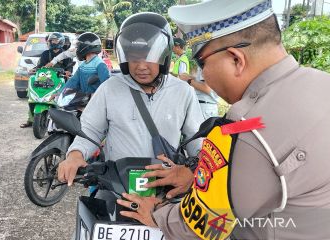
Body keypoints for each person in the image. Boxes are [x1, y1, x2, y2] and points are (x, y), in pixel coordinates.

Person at [116, 0, 330, 239]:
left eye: (202, 63)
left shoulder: (247, 131)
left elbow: (203, 225)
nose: (203, 73)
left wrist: (155, 213)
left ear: (236, 59)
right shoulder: (322, 84)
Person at [57, 12, 204, 188]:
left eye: (150, 57)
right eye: (134, 57)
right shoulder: (109, 88)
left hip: (166, 189)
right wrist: (75, 154)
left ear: (164, 56)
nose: (141, 66)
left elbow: (197, 142)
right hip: (117, 186)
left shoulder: (183, 92)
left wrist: (194, 169)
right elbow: (90, 130)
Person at [20, 32, 73, 128]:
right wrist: (34, 69)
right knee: (35, 96)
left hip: (59, 79)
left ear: (60, 42)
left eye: (55, 40)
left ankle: (62, 121)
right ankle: (31, 120)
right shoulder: (45, 54)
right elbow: (40, 66)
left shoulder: (66, 55)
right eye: (51, 40)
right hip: (45, 78)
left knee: (63, 99)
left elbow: (69, 68)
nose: (52, 42)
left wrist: (68, 72)